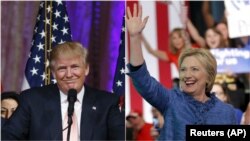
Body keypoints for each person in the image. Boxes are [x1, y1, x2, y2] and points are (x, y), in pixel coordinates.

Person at [125, 4, 236, 140]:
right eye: (183, 69)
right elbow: (142, 80)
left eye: (194, 69)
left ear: (209, 76)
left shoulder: (226, 112)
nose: (187, 75)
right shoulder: (170, 100)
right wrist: (135, 37)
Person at [2, 42, 125, 140]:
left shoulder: (107, 103)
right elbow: (8, 137)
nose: (69, 74)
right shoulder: (31, 100)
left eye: (75, 67)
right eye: (62, 69)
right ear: (54, 73)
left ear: (86, 69)